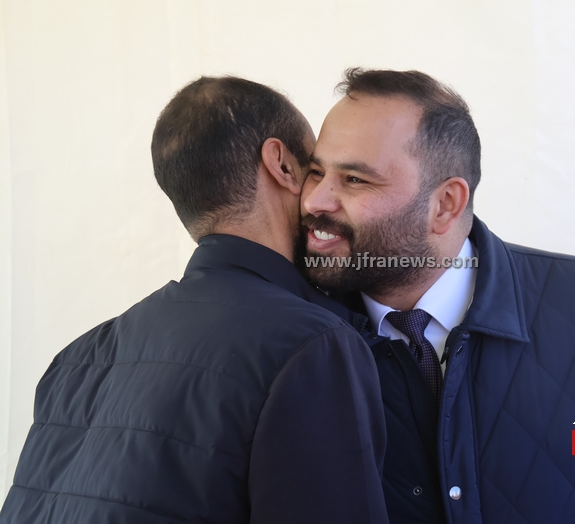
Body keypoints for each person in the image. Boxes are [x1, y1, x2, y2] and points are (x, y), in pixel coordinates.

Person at [299, 68, 575, 523]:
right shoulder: (293, 328)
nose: (314, 201)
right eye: (315, 172)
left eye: (355, 180)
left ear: (445, 204)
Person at [0, 76, 389, 524]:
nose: (322, 195)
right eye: (315, 170)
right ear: (281, 164)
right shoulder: (311, 344)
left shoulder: (77, 358)